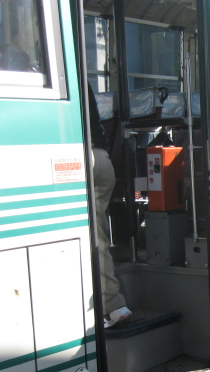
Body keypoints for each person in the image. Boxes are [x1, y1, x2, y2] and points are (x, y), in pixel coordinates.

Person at [88, 84, 131, 328]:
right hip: (102, 159)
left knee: (93, 237)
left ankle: (112, 305)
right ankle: (111, 304)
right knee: (99, 234)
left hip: (83, 159)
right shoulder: (83, 80)